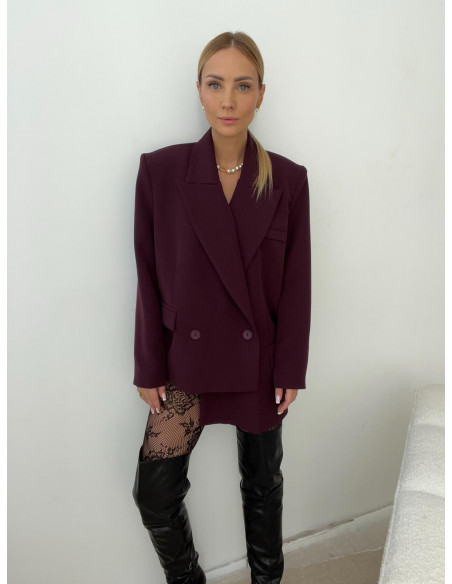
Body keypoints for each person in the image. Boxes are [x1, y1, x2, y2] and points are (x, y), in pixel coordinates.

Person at [131, 31, 311, 584]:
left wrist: (290, 367)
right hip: (184, 362)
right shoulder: (161, 172)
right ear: (199, 91)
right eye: (216, 84)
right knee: (154, 493)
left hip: (259, 363)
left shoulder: (287, 180)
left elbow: (296, 284)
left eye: (243, 86)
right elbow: (147, 275)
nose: (228, 100)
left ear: (261, 94)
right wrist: (149, 364)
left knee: (263, 487)